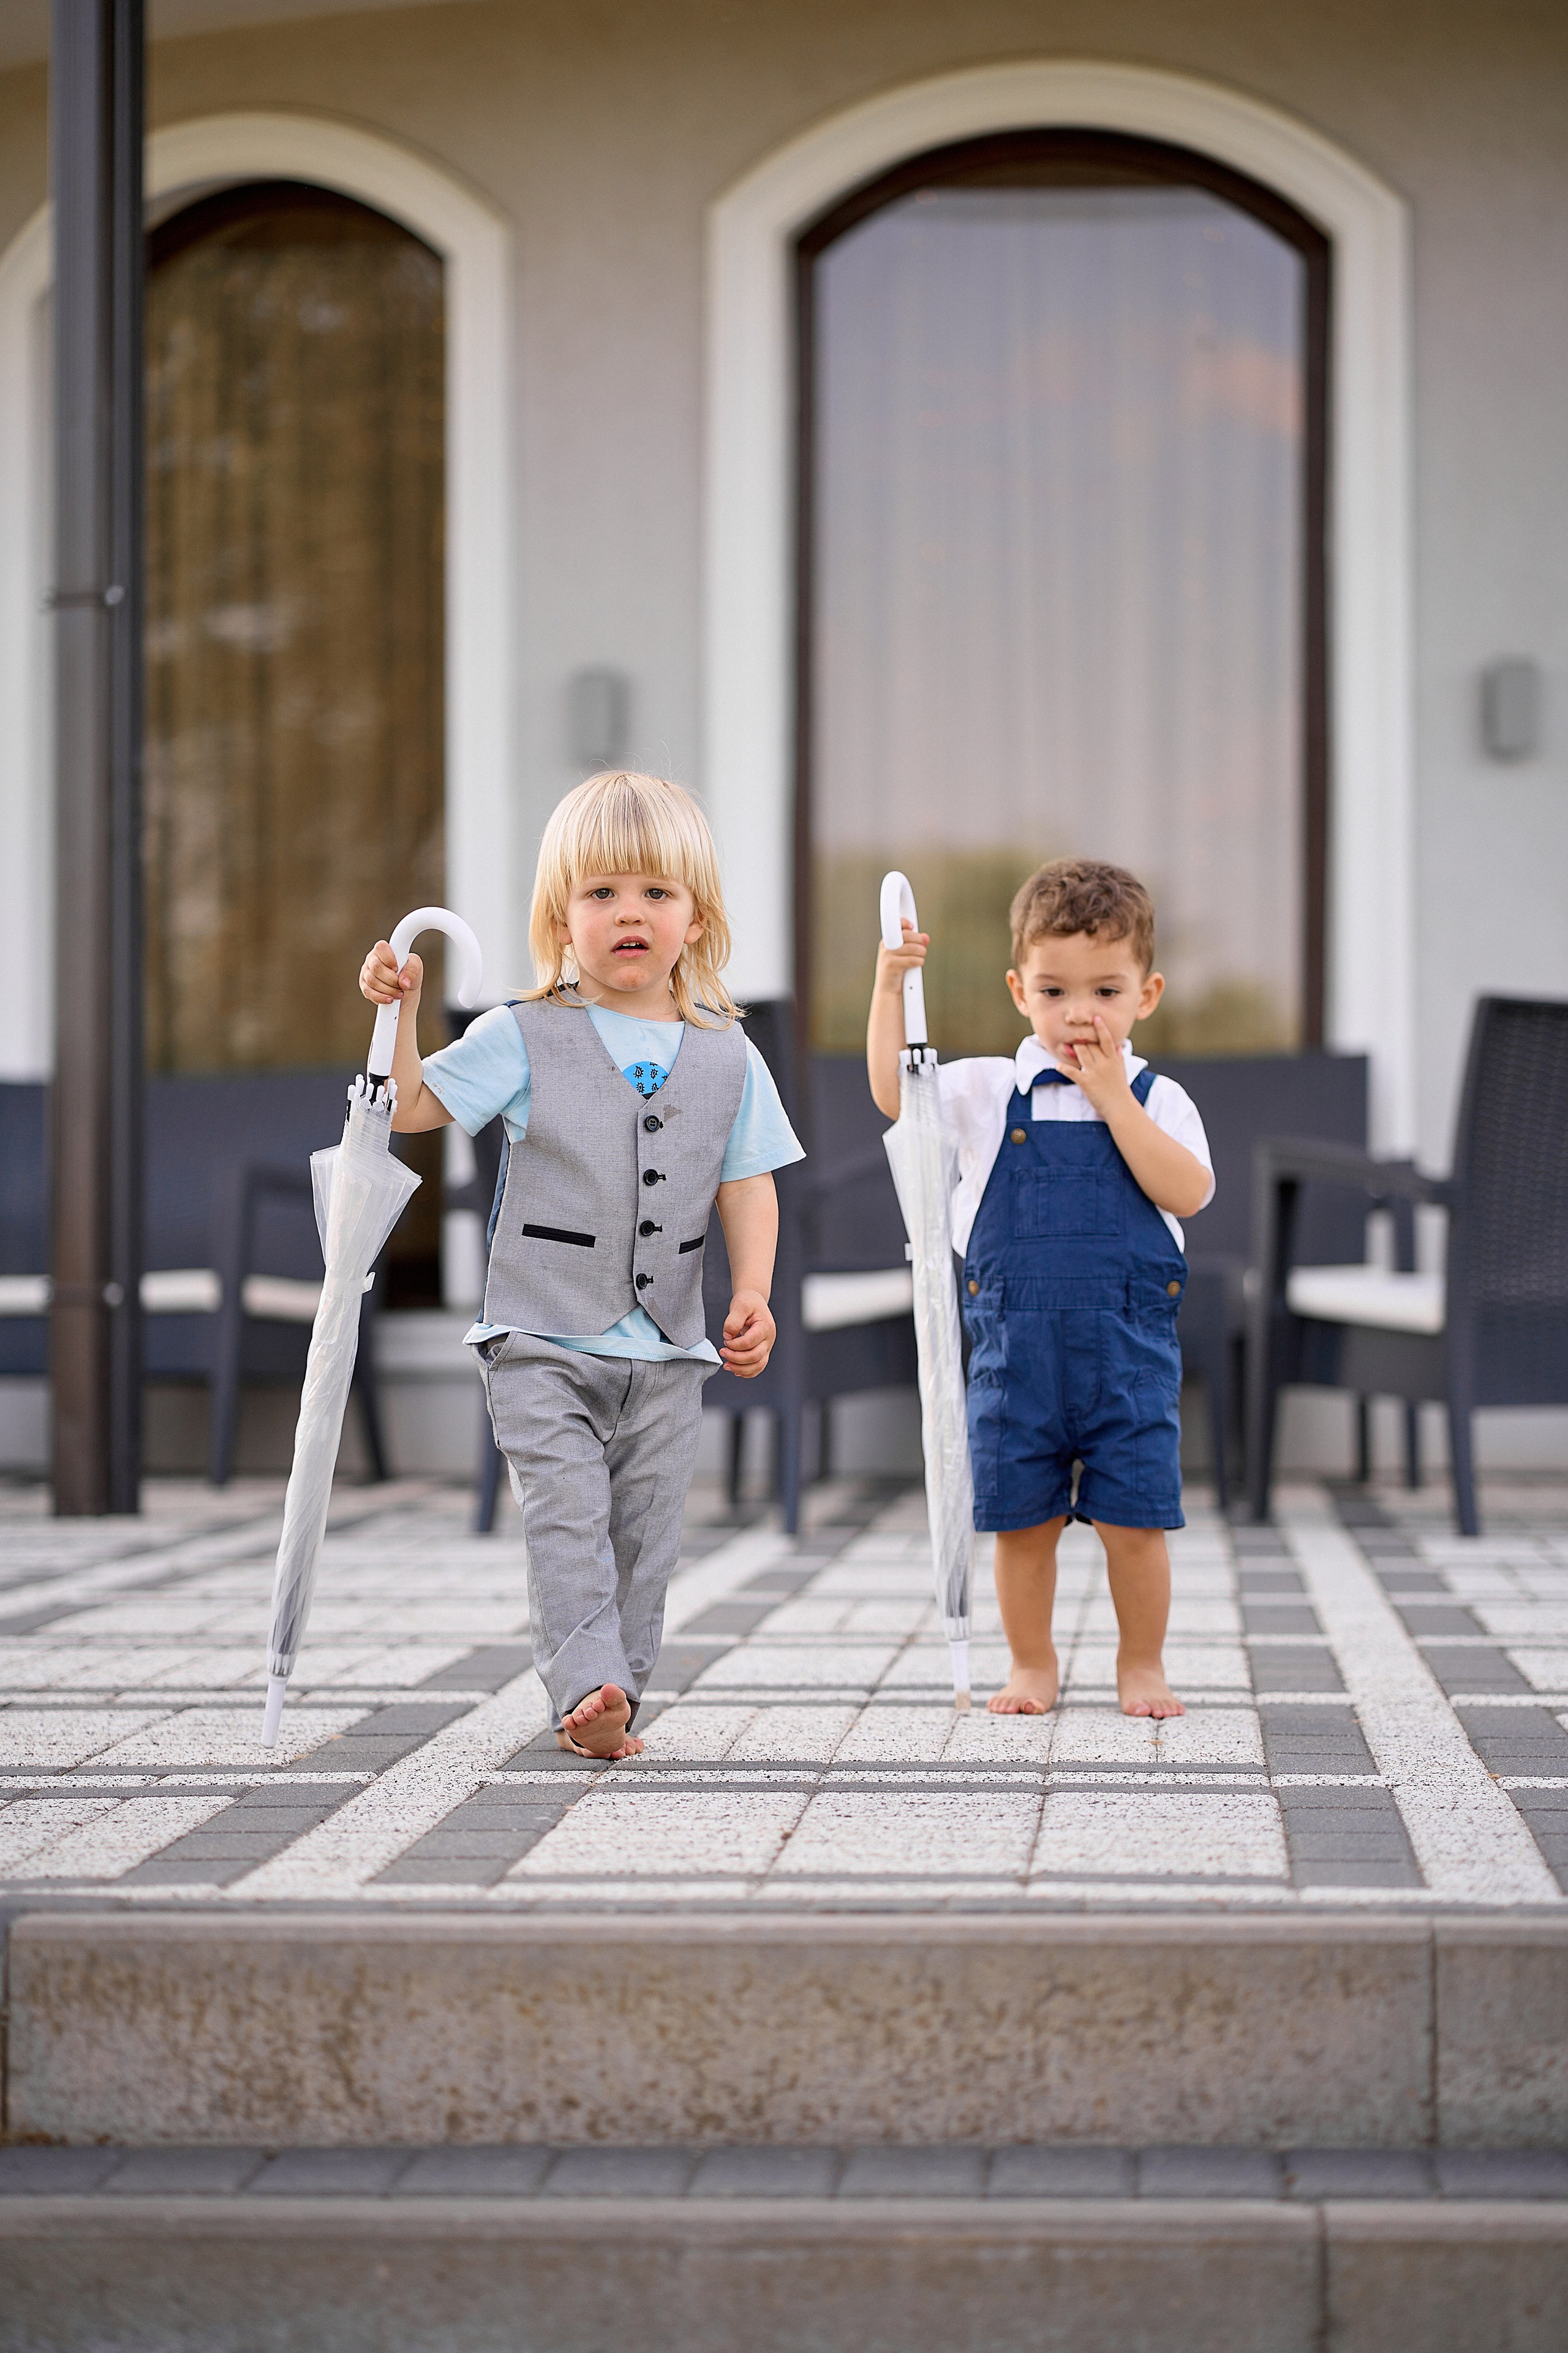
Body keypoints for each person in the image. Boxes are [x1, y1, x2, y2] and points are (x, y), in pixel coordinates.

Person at [361, 770, 802, 1759]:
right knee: (567, 1517)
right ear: (562, 918)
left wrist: (753, 1293)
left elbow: (749, 1184)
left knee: (645, 1535)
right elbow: (414, 1107)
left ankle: (618, 1691)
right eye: (602, 892)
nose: (629, 912)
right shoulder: (524, 1035)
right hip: (541, 1336)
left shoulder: (730, 1054)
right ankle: (586, 1683)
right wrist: (401, 1016)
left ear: (697, 918)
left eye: (655, 892)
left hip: (668, 1347)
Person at [867, 859, 1213, 1720]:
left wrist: (1113, 1099)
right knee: (1022, 1526)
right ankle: (1031, 1663)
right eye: (1055, 991)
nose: (1079, 1014)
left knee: (1136, 1524)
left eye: (1106, 991)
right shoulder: (990, 1092)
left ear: (1147, 995)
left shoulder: (1159, 1098)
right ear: (1020, 991)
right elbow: (896, 1096)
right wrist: (888, 987)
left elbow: (1187, 1192)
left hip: (1127, 1361)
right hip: (1016, 1361)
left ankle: (1142, 1662)